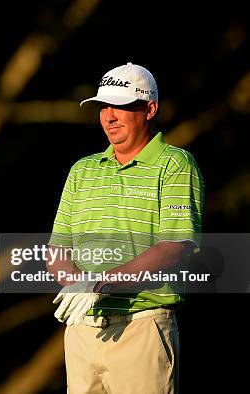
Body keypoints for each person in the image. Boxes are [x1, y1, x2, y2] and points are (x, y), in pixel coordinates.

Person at [48, 62, 204, 393]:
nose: (109, 116)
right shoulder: (82, 170)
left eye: (121, 106)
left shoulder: (175, 164)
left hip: (141, 328)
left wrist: (99, 284)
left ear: (150, 109)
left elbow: (174, 249)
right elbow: (58, 249)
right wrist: (77, 285)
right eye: (104, 106)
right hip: (82, 332)